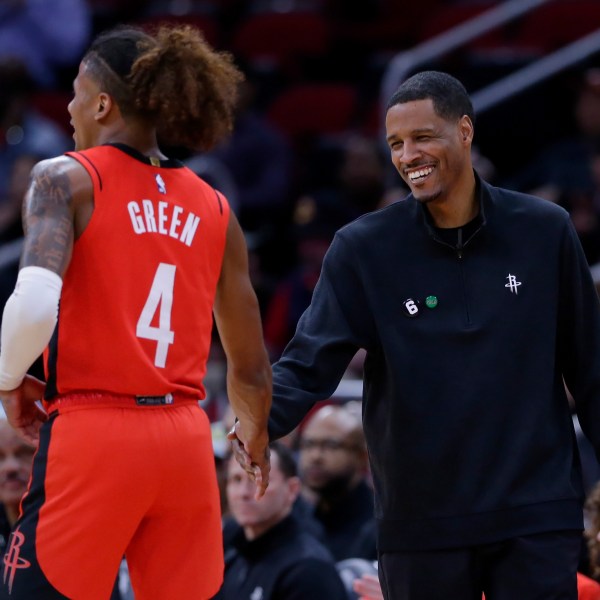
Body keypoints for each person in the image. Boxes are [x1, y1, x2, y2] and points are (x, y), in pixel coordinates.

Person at [231, 70, 600, 598]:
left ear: (465, 131)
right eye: (396, 144)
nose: (408, 156)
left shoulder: (544, 230)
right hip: (422, 521)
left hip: (534, 514)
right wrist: (257, 423)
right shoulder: (364, 248)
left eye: (423, 137)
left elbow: (591, 367)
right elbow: (309, 361)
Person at [0, 24, 272, 600]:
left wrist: (7, 379)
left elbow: (33, 303)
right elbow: (249, 367)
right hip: (186, 443)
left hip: (96, 433)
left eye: (76, 91)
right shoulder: (217, 208)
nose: (69, 107)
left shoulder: (65, 177)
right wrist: (252, 439)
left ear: (102, 102)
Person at [214, 441, 348, 600]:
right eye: (236, 480)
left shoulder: (308, 569)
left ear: (292, 489)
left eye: (257, 479)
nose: (243, 493)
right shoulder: (233, 557)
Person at [297, 403, 375, 561]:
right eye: (309, 444)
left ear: (362, 456)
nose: (315, 456)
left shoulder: (378, 527)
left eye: (331, 445)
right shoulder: (298, 519)